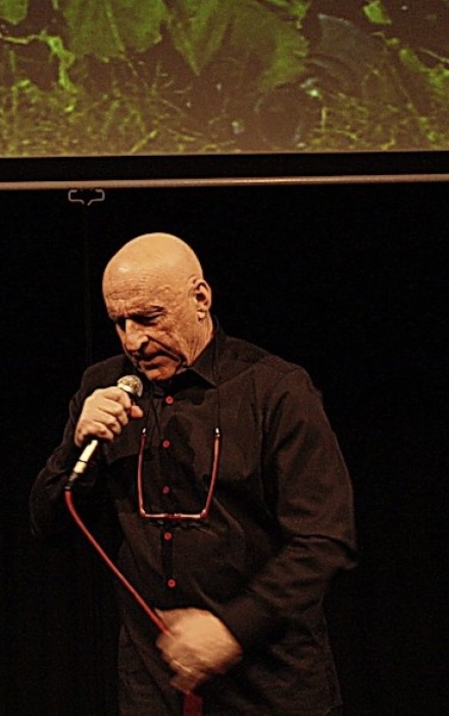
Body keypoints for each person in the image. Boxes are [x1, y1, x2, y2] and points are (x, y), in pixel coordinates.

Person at [30, 232, 356, 715]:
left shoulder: (275, 391)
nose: (134, 341)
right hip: (154, 688)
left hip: (271, 684)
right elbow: (49, 525)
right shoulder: (104, 387)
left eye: (148, 318)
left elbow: (325, 538)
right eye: (119, 323)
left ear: (200, 299)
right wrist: (74, 448)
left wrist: (231, 629)